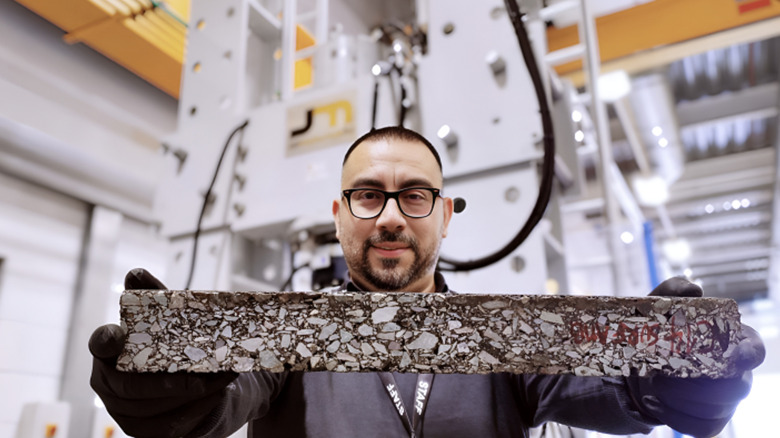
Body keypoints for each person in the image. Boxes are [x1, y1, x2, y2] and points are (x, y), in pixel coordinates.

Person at [90, 126, 765, 438]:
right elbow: (225, 398)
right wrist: (170, 403)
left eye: (414, 197)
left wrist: (659, 388)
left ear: (444, 216)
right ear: (339, 216)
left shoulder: (511, 339)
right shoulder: (284, 336)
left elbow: (601, 391)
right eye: (367, 196)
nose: (389, 217)